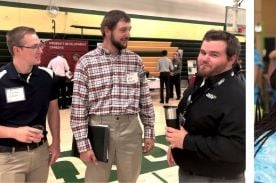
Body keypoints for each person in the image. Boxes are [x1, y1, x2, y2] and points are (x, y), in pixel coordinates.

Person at [70, 10, 155, 182]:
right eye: (123, 30)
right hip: (98, 128)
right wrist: (83, 145)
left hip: (130, 127)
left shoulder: (135, 60)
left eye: (129, 29)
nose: (128, 35)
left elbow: (145, 101)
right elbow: (79, 109)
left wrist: (149, 132)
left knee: (130, 178)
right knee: (96, 179)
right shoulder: (86, 63)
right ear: (107, 30)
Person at [165, 30, 245, 182]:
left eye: (214, 55)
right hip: (190, 169)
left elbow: (238, 147)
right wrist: (177, 144)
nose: (204, 59)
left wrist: (186, 141)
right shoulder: (203, 79)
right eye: (202, 52)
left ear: (231, 59)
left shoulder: (238, 94)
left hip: (216, 177)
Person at [0, 26, 60, 182]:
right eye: (34, 47)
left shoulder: (47, 76)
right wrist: (14, 133)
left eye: (40, 45)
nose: (41, 50)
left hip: (40, 153)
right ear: (17, 50)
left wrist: (56, 143)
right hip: (8, 158)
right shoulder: (1, 80)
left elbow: (53, 111)